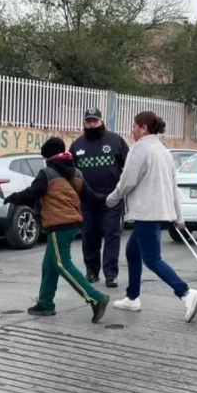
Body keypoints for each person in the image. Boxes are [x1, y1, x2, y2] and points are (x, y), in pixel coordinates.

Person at [106, 111, 197, 322]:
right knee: (132, 252)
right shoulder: (163, 151)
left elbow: (127, 181)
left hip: (146, 212)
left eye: (134, 126)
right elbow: (172, 186)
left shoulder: (139, 149)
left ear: (144, 128)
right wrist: (178, 217)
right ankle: (132, 297)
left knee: (152, 259)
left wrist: (111, 199)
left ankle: (185, 293)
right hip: (158, 212)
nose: (131, 130)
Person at [4, 137, 110, 323]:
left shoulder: (46, 173)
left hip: (58, 225)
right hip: (72, 223)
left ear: (49, 156)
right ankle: (46, 304)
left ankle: (96, 298)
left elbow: (32, 193)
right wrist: (109, 198)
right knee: (50, 265)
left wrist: (13, 198)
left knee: (63, 265)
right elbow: (90, 196)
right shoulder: (76, 172)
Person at [71, 107, 129, 288]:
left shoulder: (115, 141)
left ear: (101, 121)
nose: (92, 124)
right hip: (88, 200)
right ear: (84, 123)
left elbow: (128, 167)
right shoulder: (77, 145)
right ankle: (92, 271)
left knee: (112, 235)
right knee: (90, 236)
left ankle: (110, 274)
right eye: (88, 121)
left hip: (112, 198)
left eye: (95, 121)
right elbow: (70, 172)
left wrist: (121, 191)